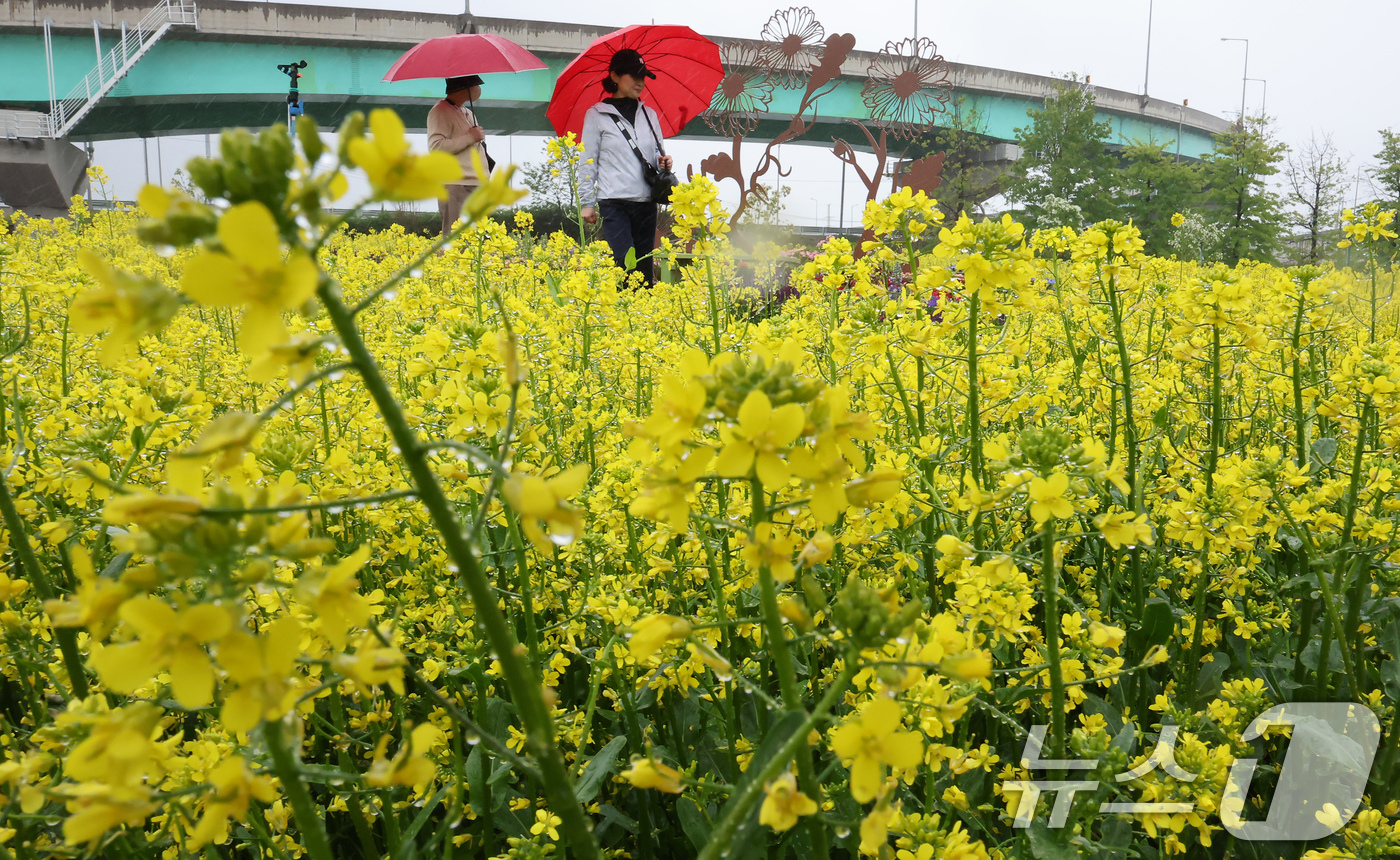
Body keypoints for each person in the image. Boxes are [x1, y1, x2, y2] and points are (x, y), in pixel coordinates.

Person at [579, 49, 674, 286]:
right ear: (614, 76)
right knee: (623, 263)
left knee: (643, 268)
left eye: (643, 77)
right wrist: (586, 202)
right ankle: (622, 315)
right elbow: (587, 159)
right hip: (614, 202)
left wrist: (664, 162)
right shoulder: (596, 115)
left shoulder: (650, 114)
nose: (641, 83)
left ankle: (641, 319)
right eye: (634, 76)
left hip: (646, 202)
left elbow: (656, 154)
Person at [427, 75, 487, 236]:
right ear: (463, 88)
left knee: (478, 241)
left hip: (476, 183)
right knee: (456, 239)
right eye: (475, 85)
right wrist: (470, 138)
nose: (478, 90)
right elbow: (436, 147)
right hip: (456, 185)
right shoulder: (440, 111)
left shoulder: (467, 112)